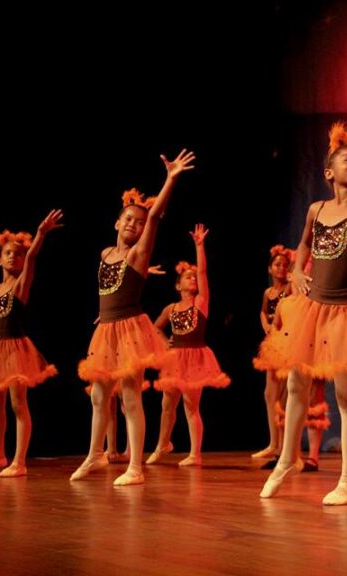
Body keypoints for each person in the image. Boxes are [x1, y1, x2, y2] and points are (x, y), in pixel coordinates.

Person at [255, 47, 347, 505]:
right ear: (327, 170)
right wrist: (298, 271)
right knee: (296, 384)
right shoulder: (317, 209)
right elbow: (302, 247)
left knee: (344, 396)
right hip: (310, 306)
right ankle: (285, 460)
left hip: (343, 310)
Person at [71, 149, 196, 486]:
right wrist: (102, 312)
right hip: (107, 329)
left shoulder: (140, 253)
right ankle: (95, 454)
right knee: (99, 395)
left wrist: (170, 178)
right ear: (116, 221)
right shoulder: (105, 254)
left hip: (130, 330)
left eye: (139, 222)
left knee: (130, 394)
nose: (135, 224)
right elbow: (107, 288)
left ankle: (136, 467)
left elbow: (155, 217)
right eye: (129, 219)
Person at [147, 224, 230, 467]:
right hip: (174, 358)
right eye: (187, 277)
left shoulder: (201, 303)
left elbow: (203, 272)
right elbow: (154, 328)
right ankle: (163, 444)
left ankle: (195, 454)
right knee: (166, 403)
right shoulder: (171, 309)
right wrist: (164, 343)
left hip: (195, 357)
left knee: (191, 404)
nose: (193, 278)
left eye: (193, 277)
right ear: (177, 285)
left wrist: (199, 246)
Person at [0, 210, 62, 477]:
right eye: (8, 252)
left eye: (18, 253)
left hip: (15, 350)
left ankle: (19, 461)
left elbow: (32, 258)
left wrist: (41, 233)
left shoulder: (20, 286)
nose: (14, 256)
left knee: (17, 403)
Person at [253, 245, 293, 460]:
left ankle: (285, 444)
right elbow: (263, 310)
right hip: (272, 343)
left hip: (286, 342)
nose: (281, 268)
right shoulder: (268, 292)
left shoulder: (291, 289)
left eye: (285, 265)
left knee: (286, 396)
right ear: (270, 269)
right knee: (270, 394)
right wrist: (265, 326)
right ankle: (273, 442)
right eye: (277, 265)